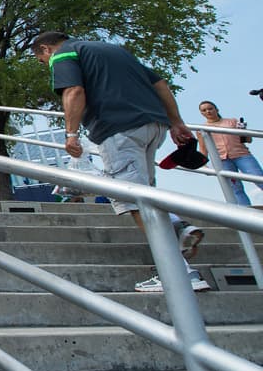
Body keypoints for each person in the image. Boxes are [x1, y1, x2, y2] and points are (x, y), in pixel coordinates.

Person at [31, 31, 208, 293]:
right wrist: (176, 121)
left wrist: (70, 133)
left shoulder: (64, 54)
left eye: (41, 60)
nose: (46, 64)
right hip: (153, 125)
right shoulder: (114, 51)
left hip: (117, 129)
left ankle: (179, 274)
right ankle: (177, 225)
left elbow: (74, 90)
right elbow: (160, 84)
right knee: (143, 193)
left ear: (45, 49)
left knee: (132, 200)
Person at [197, 101, 263, 207]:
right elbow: (203, 148)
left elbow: (248, 140)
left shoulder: (232, 122)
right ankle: (245, 212)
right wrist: (203, 165)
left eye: (210, 108)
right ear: (201, 113)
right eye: (204, 110)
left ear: (216, 110)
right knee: (235, 188)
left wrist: (244, 130)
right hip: (222, 160)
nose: (208, 111)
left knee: (259, 178)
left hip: (242, 155)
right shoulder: (202, 129)